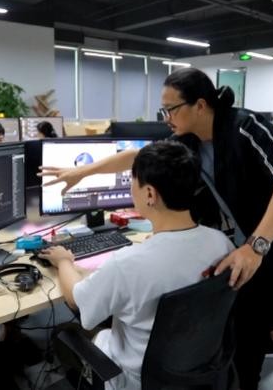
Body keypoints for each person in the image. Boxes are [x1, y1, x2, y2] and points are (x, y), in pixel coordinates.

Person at [41, 68, 273, 389]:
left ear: (200, 105)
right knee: (246, 342)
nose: (165, 118)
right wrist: (82, 172)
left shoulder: (245, 126)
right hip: (249, 252)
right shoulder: (187, 140)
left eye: (171, 109)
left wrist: (255, 246)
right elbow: (140, 157)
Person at [39, 141, 234, 389]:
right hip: (197, 372)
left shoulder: (128, 263)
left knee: (62, 332)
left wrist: (64, 262)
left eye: (132, 180)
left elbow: (76, 299)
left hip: (133, 379)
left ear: (150, 194)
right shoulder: (222, 244)